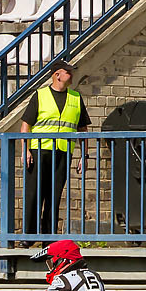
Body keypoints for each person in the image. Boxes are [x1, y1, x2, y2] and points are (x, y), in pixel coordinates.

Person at [26, 60, 89, 236]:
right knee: (34, 194)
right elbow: (26, 126)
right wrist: (26, 151)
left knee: (54, 196)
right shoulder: (40, 95)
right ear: (57, 75)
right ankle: (28, 236)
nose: (72, 75)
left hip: (63, 152)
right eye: (68, 72)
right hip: (40, 151)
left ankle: (49, 236)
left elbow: (83, 130)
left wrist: (84, 156)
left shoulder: (76, 98)